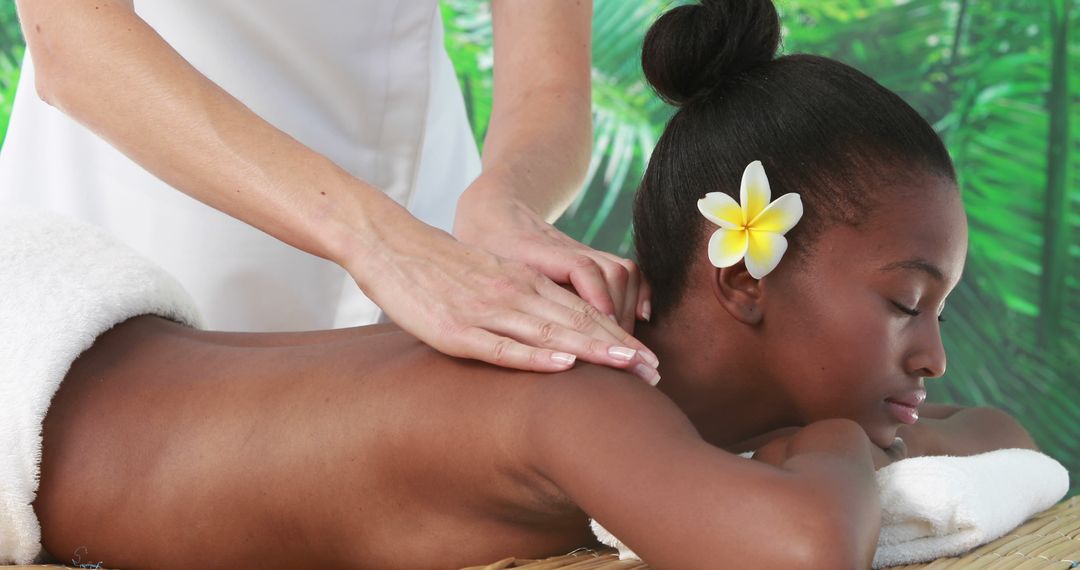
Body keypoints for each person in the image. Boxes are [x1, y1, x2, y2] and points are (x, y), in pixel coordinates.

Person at [20, 0, 1038, 568]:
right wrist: (828, 442)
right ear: (743, 280)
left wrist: (496, 202)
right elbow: (799, 552)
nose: (935, 354)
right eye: (907, 303)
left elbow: (1005, 439)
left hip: (211, 343)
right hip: (62, 340)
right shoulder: (585, 388)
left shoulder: (650, 400)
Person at [0, 1, 660, 380]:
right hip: (139, 199)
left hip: (426, 223)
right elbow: (74, 46)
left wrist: (504, 202)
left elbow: (549, 81)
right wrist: (384, 247)